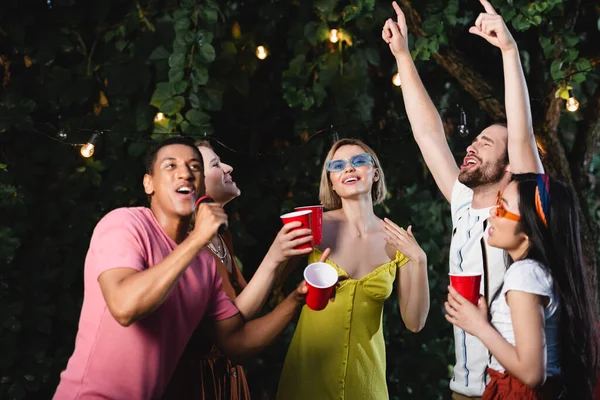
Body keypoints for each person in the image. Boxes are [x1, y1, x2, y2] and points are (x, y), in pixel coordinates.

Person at [53, 136, 329, 400]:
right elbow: (125, 308)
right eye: (171, 165)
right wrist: (197, 238)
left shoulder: (204, 263)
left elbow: (236, 342)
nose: (185, 173)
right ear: (148, 183)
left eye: (194, 167)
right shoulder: (124, 224)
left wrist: (296, 299)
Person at [382, 1, 544, 398]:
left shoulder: (520, 210)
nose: (471, 146)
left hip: (510, 387)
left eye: (486, 143)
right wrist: (402, 54)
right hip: (463, 389)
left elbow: (520, 134)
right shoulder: (461, 200)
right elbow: (427, 132)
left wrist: (508, 51)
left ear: (509, 169)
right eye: (474, 140)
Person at [276, 138, 430, 400]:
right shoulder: (312, 227)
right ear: (332, 182)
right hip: (307, 381)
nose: (348, 169)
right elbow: (272, 282)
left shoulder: (397, 241)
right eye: (338, 165)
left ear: (375, 174)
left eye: (359, 161)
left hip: (366, 385)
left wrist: (420, 260)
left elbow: (414, 323)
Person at [163, 140, 314, 399]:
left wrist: (295, 252)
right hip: (195, 383)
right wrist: (274, 256)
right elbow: (233, 321)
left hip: (227, 377)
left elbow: (247, 302)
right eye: (215, 164)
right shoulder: (185, 245)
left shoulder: (222, 238)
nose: (229, 167)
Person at [445, 173, 597, 399]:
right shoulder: (537, 272)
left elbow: (532, 373)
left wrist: (478, 325)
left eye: (502, 208)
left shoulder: (525, 274)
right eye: (497, 203)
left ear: (529, 232)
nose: (492, 213)